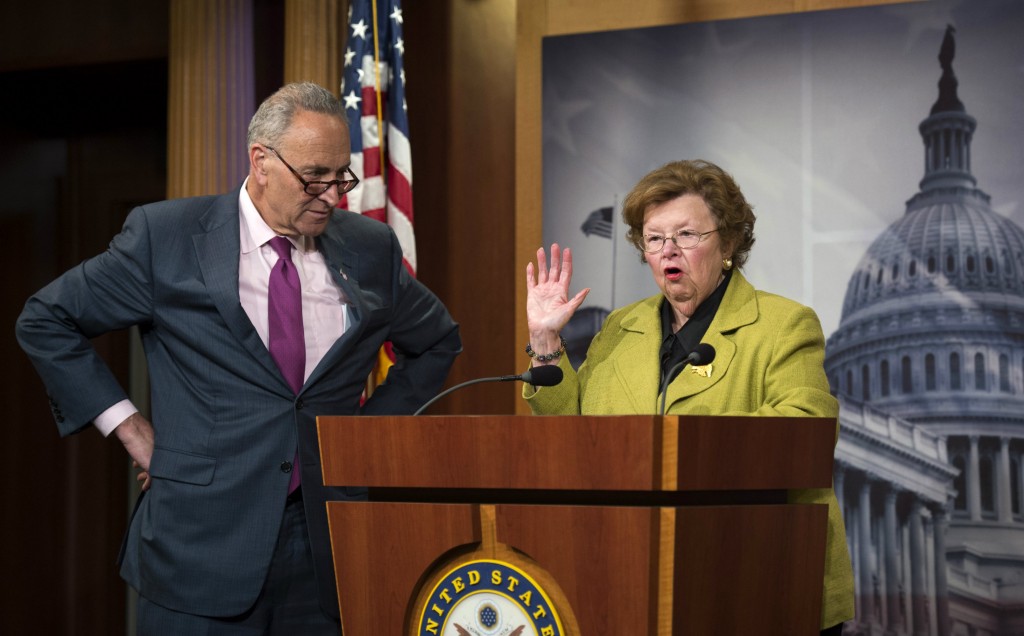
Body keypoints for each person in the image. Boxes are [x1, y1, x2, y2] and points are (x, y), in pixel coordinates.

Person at [16, 82, 461, 634]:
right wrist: (131, 429)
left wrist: (364, 437)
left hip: (327, 551)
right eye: (314, 176)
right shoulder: (168, 237)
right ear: (261, 161)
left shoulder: (370, 248)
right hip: (199, 550)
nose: (332, 194)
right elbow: (45, 319)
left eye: (341, 175)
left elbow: (438, 340)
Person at [523, 159, 854, 635]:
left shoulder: (783, 325)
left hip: (757, 578)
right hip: (628, 575)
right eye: (654, 239)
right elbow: (573, 437)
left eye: (686, 236)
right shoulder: (621, 329)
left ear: (729, 243)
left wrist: (675, 451)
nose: (667, 251)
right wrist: (546, 342)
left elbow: (806, 432)